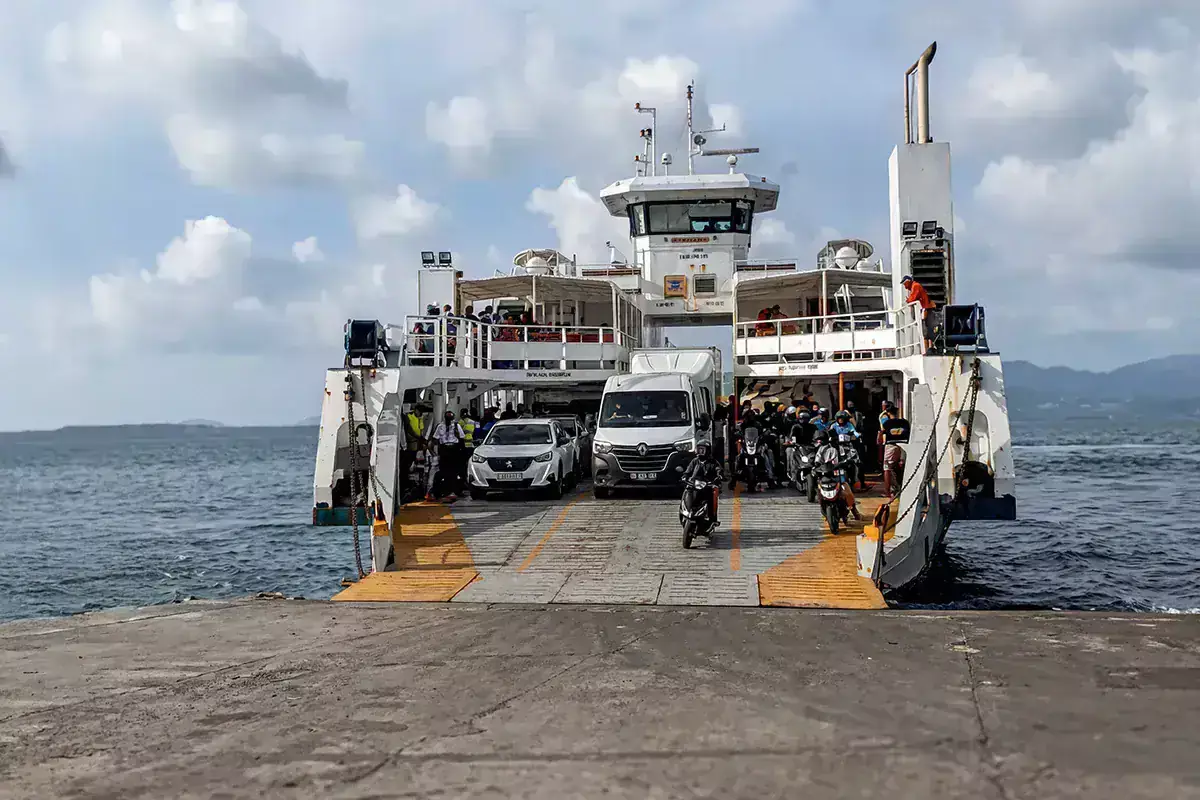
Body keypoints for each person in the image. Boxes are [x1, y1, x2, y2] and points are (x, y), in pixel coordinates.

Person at [815, 429, 861, 520]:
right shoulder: (822, 449)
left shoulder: (842, 448)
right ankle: (823, 507)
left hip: (838, 473)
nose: (833, 442)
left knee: (847, 491)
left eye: (835, 440)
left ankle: (854, 510)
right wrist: (816, 466)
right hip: (826, 474)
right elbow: (817, 460)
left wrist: (848, 461)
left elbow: (850, 457)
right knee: (819, 491)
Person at [428, 411, 465, 500]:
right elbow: (435, 439)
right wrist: (435, 452)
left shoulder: (457, 426)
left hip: (454, 449)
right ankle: (440, 491)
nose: (449, 421)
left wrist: (461, 452)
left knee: (453, 472)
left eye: (450, 419)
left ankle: (451, 491)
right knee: (443, 471)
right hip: (444, 450)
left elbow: (461, 438)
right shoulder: (440, 426)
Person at [880, 406, 911, 498]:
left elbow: (881, 436)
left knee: (887, 468)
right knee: (901, 467)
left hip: (891, 445)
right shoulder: (905, 422)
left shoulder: (886, 423)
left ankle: (887, 492)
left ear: (888, 413)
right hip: (905, 446)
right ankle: (903, 488)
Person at [902, 274, 937, 350]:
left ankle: (928, 349)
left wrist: (908, 300)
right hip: (927, 309)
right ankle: (929, 348)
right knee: (927, 329)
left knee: (925, 330)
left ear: (908, 282)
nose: (905, 287)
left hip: (926, 309)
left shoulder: (915, 286)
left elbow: (912, 298)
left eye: (905, 284)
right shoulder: (914, 286)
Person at [458, 409, 478, 484]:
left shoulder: (460, 422)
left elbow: (458, 435)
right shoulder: (473, 422)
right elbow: (476, 434)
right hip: (471, 446)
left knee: (463, 464)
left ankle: (463, 480)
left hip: (463, 446)